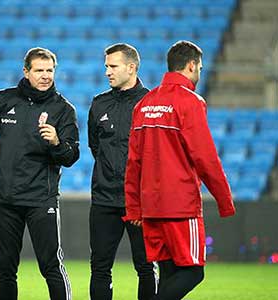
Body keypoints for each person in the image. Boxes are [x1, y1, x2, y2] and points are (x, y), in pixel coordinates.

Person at [0, 47, 79, 300]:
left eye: (50, 70)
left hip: (40, 199)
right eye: (39, 70)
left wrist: (57, 142)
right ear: (26, 72)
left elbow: (71, 156)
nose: (46, 76)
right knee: (5, 269)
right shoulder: (6, 99)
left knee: (51, 266)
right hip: (4, 197)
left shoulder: (64, 110)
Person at [124, 40, 236, 300]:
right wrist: (225, 201)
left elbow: (133, 162)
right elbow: (205, 157)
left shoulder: (144, 104)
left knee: (169, 273)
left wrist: (134, 208)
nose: (199, 73)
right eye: (200, 68)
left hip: (151, 207)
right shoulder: (190, 102)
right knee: (193, 272)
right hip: (181, 206)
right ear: (191, 65)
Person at [88, 43, 156, 300]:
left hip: (141, 202)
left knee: (146, 267)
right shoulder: (98, 104)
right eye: (106, 66)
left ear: (131, 67)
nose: (107, 71)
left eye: (112, 66)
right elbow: (96, 147)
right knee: (100, 268)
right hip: (104, 200)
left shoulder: (152, 103)